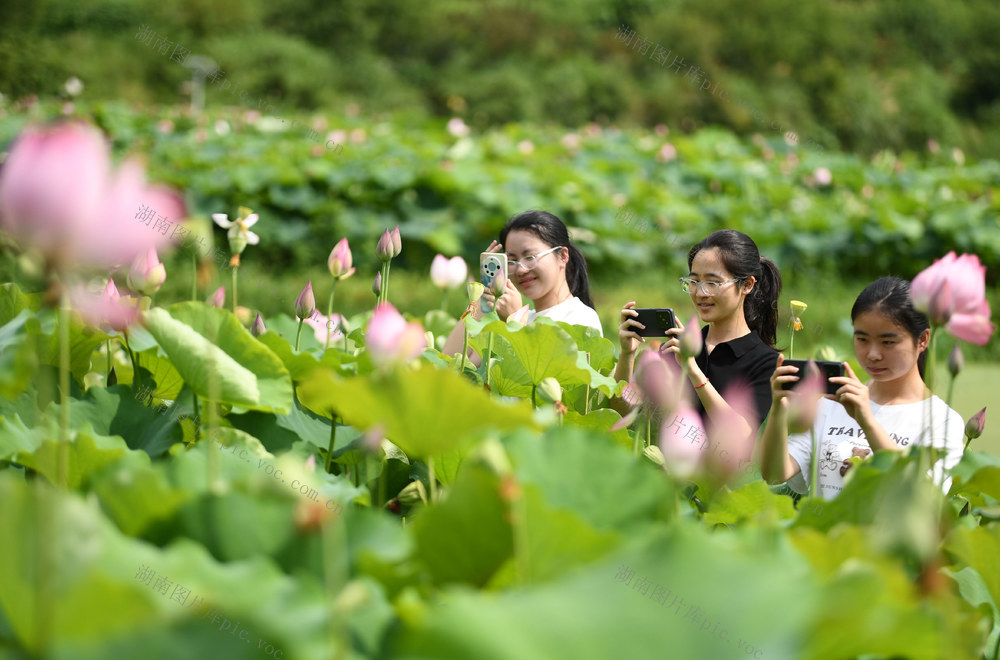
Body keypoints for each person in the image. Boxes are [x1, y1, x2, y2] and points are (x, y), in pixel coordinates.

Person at [760, 277, 964, 500]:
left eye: (888, 342)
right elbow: (774, 474)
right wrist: (779, 410)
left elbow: (923, 496)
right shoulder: (829, 404)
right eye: (862, 339)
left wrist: (867, 421)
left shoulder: (943, 422)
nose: (872, 354)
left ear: (923, 340)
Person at [613, 229, 781, 435]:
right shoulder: (675, 348)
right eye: (694, 282)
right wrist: (626, 355)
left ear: (746, 285)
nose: (701, 293)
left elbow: (738, 434)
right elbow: (621, 414)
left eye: (713, 283)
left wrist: (692, 370)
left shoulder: (765, 361)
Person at [442, 210, 602, 363]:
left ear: (562, 256)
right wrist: (484, 300)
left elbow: (547, 383)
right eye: (511, 260)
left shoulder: (581, 318)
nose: (520, 269)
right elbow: (450, 363)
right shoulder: (509, 321)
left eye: (530, 257)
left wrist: (516, 320)